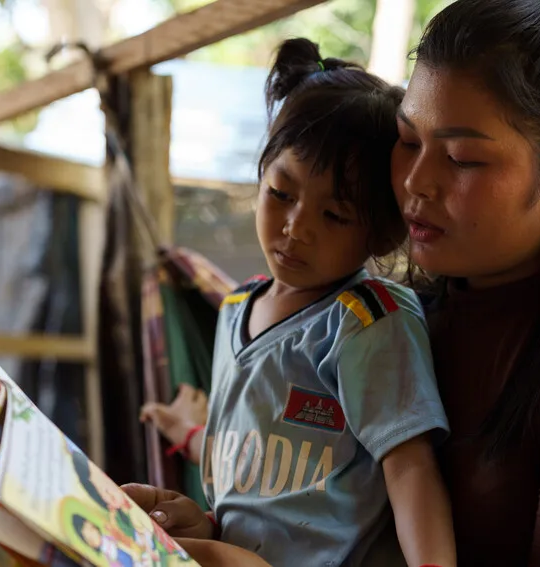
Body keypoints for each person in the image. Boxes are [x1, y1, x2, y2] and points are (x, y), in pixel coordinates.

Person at [127, 0, 540, 565]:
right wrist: (220, 530)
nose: (415, 180)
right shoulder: (386, 317)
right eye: (408, 141)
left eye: (460, 157)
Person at [141, 37, 455, 567]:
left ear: (380, 234)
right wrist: (190, 435)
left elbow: (409, 468)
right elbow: (253, 456)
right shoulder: (235, 308)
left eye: (333, 216)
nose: (295, 228)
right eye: (281, 194)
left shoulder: (366, 320)